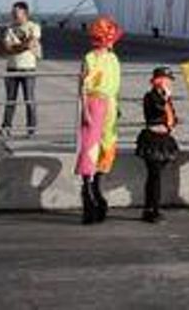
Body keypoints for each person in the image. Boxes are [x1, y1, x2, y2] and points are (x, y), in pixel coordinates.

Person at [76, 15, 122, 225]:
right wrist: (85, 109)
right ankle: (89, 194)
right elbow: (83, 86)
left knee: (106, 145)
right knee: (89, 148)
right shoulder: (89, 57)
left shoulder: (113, 58)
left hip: (110, 104)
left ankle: (96, 190)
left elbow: (115, 86)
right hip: (95, 104)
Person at [135, 66, 181, 224]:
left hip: (164, 138)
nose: (169, 83)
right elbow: (157, 108)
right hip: (152, 139)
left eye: (169, 80)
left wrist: (172, 122)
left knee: (157, 175)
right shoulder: (150, 96)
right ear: (158, 80)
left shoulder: (166, 98)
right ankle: (151, 209)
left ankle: (152, 207)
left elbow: (172, 116)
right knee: (154, 176)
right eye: (166, 79)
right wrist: (165, 97)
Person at [0, 1, 42, 139]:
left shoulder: (33, 27)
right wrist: (22, 46)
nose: (13, 15)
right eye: (12, 12)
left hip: (28, 68)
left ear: (25, 13)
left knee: (29, 99)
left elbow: (32, 42)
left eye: (16, 12)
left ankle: (31, 129)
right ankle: (6, 127)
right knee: (10, 100)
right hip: (12, 68)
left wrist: (16, 47)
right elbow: (7, 48)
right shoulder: (9, 28)